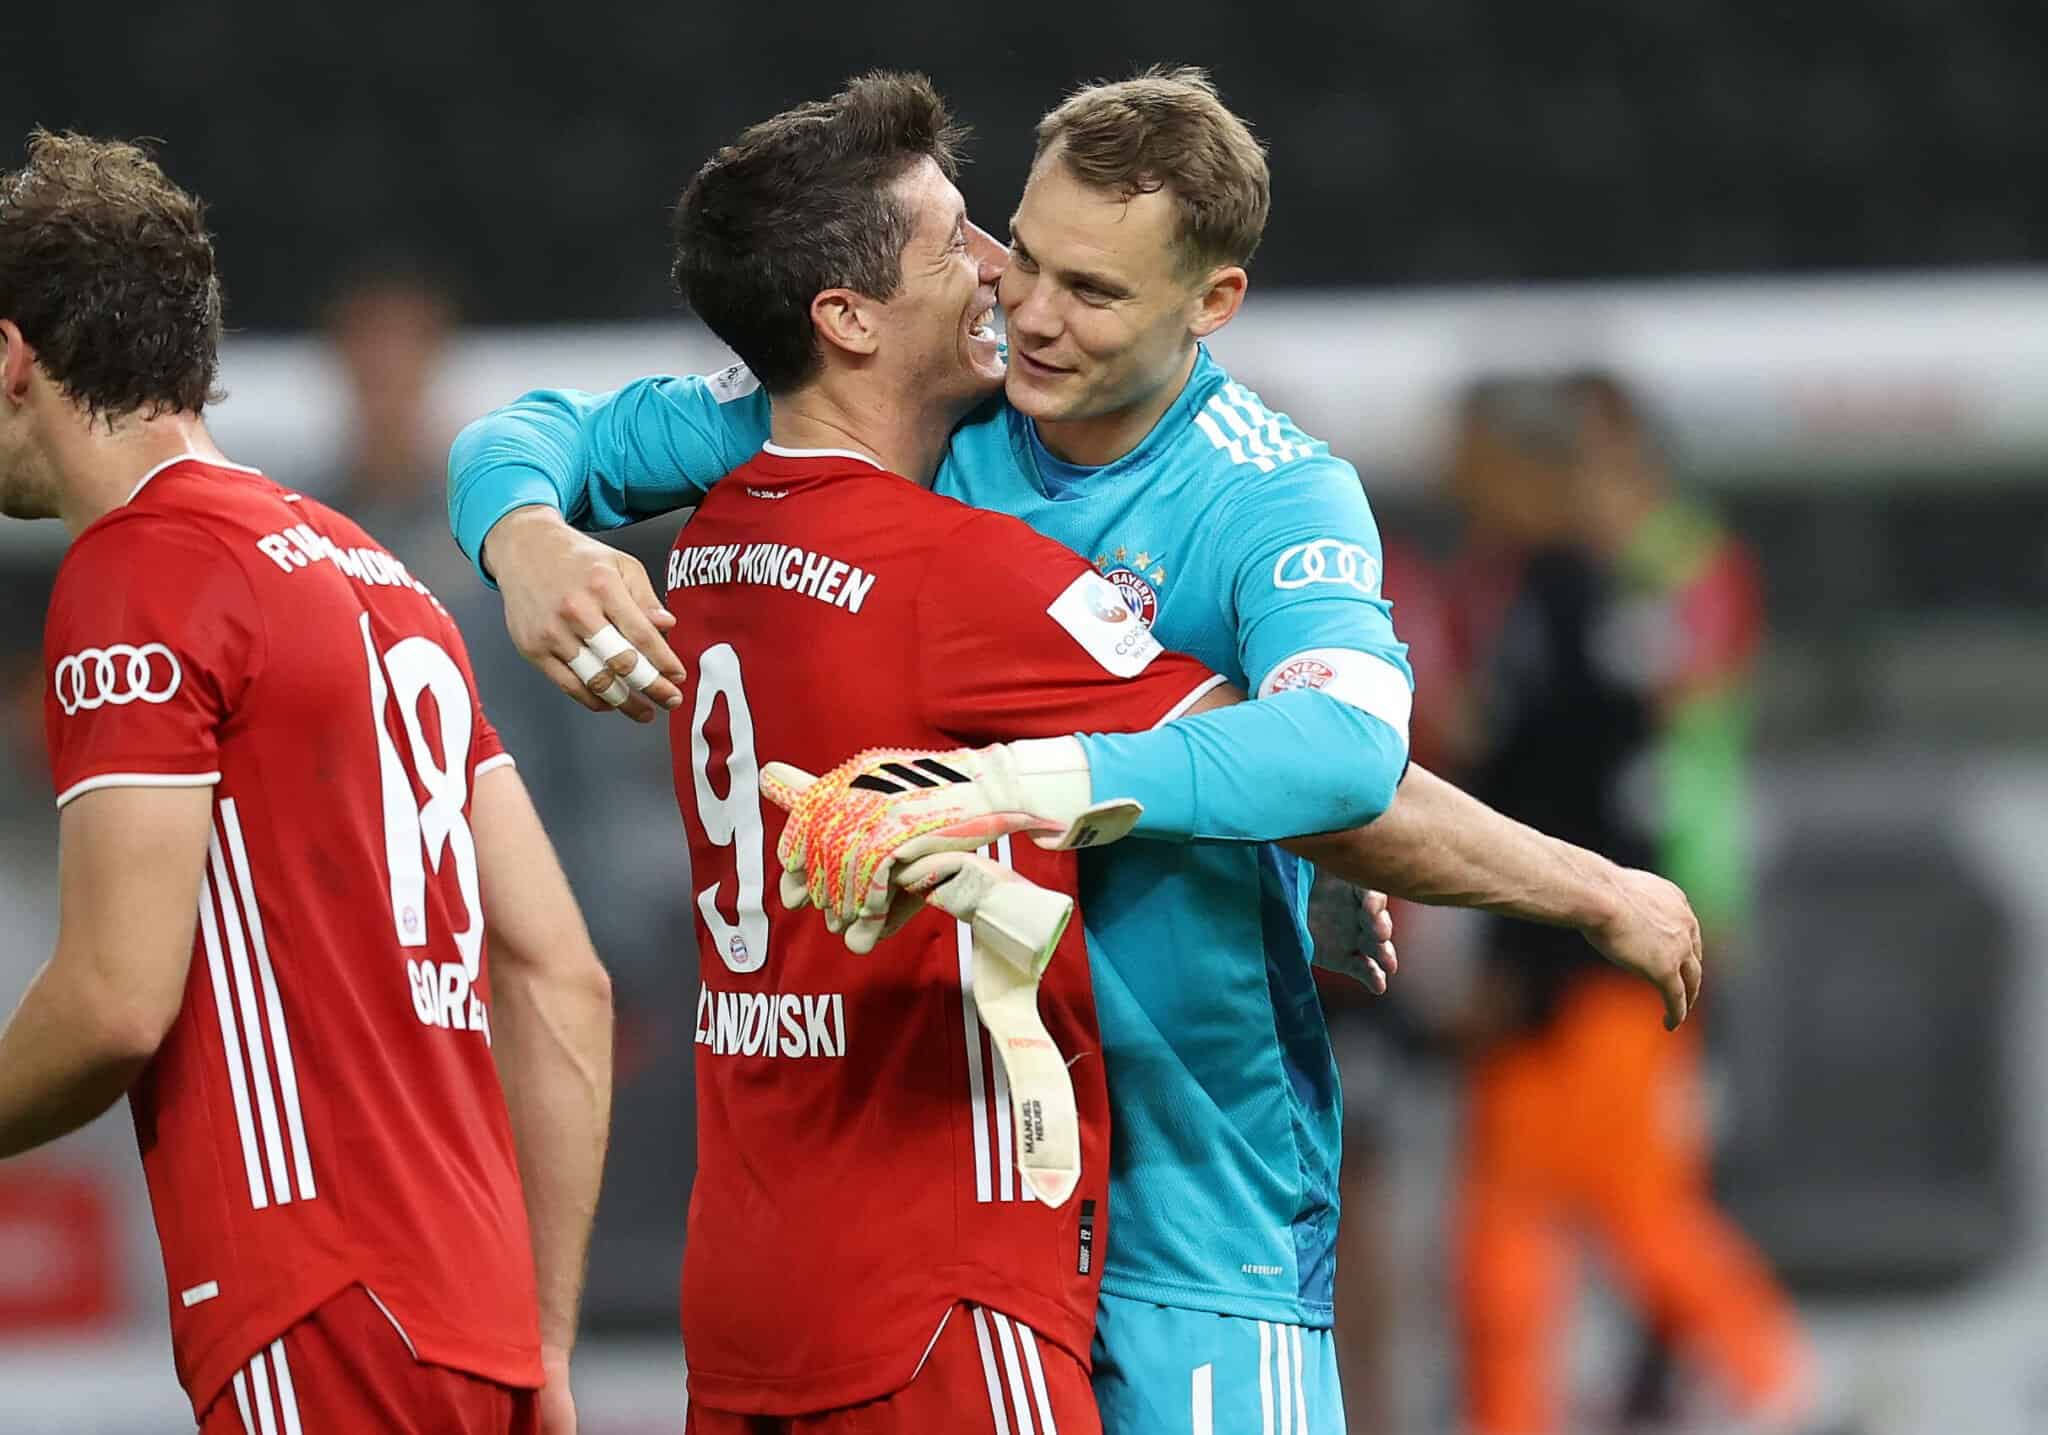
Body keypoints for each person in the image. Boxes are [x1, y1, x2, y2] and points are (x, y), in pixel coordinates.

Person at [448, 70, 1702, 1432]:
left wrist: (1575, 881)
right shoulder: (932, 409)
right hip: (969, 1194)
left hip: (1191, 1208)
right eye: (1020, 256)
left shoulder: (1268, 491)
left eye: (1091, 293)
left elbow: (1342, 754)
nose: (1031, 312)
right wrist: (524, 536)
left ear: (1209, 302)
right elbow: (542, 434)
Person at [653, 75, 1253, 1431]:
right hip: (937, 1292)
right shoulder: (947, 573)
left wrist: (514, 515)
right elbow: (1282, 762)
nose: (1002, 272)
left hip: (748, 1280)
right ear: (847, 317)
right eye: (957, 245)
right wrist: (1589, 888)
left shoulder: (706, 550)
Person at [0, 131, 613, 1434]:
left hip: (315, 1293)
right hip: (480, 1327)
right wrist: (547, 1337)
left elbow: (113, 999)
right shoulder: (385, 583)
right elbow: (562, 968)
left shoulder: (138, 573)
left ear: (13, 360)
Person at [1441, 374, 1815, 1435]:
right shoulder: (1551, 593)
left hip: (1608, 955)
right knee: (1511, 1229)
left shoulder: (1597, 591)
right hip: (1574, 955)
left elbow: (1592, 791)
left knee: (1628, 1205)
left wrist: (1527, 965)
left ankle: (1778, 1391)